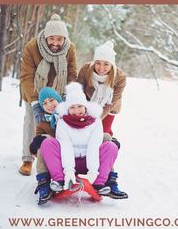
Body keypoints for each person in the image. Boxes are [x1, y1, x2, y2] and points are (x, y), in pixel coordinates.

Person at [19, 14, 77, 176]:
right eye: (52, 39)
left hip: (58, 93)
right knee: (32, 121)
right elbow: (26, 76)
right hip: (35, 91)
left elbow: (72, 73)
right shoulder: (32, 47)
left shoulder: (70, 48)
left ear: (64, 39)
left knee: (58, 125)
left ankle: (53, 159)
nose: (55, 43)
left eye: (59, 39)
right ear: (45, 37)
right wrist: (36, 103)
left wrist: (68, 96)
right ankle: (27, 159)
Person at [40, 82, 118, 199]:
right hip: (69, 163)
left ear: (85, 106)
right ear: (67, 108)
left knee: (111, 146)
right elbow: (65, 146)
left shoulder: (95, 121)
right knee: (47, 143)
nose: (76, 111)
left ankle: (99, 183)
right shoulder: (62, 123)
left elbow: (94, 145)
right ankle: (59, 181)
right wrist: (69, 171)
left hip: (89, 162)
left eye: (79, 106)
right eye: (72, 107)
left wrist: (92, 172)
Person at [77, 41, 128, 199]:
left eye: (106, 64)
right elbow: (78, 94)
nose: (101, 67)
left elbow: (110, 103)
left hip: (108, 109)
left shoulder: (119, 77)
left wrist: (95, 120)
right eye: (98, 63)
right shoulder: (86, 69)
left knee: (105, 137)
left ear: (111, 64)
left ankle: (110, 180)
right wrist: (83, 116)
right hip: (85, 106)